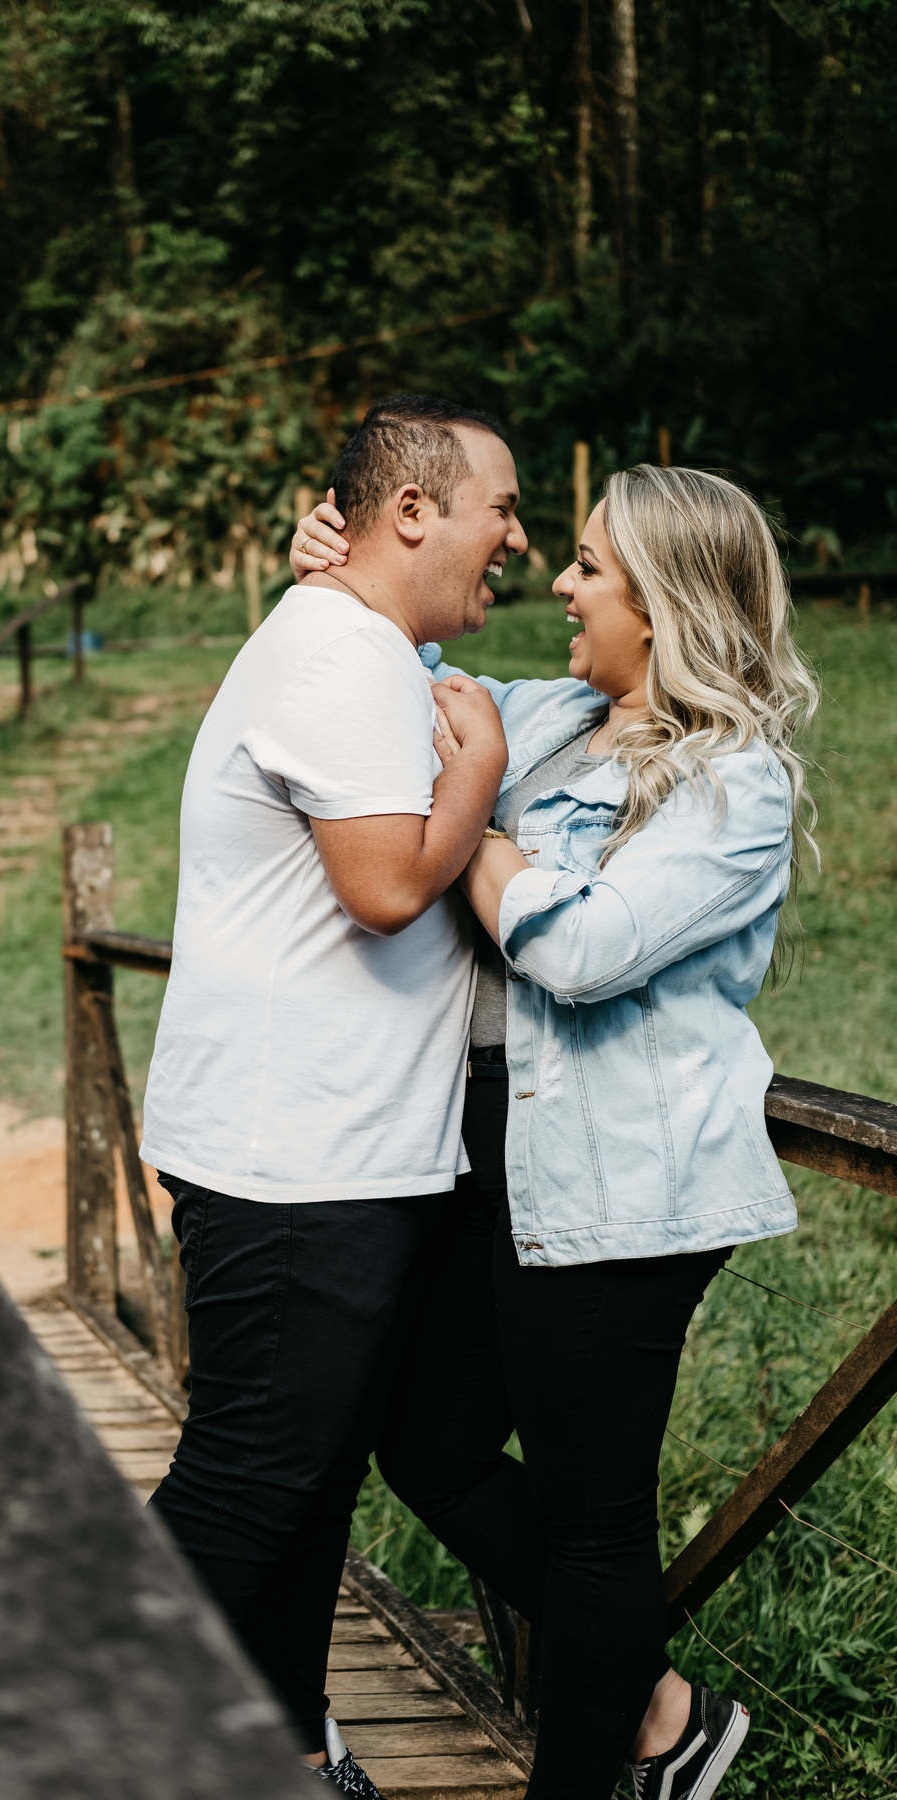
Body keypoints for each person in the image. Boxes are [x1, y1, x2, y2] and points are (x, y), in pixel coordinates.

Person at [290, 463, 818, 1800]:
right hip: (503, 1166)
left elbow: (582, 952)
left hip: (628, 1188)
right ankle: (662, 1710)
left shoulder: (734, 784)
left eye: (591, 568)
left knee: (594, 1527)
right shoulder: (544, 718)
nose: (563, 585)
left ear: (666, 601)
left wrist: (469, 817)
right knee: (429, 1445)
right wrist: (339, 575)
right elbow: (389, 687)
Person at [139, 394, 527, 1790]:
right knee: (252, 1480)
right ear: (412, 512)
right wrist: (481, 773)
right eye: (503, 509)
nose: (518, 539)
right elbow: (383, 885)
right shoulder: (341, 655)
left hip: (328, 1150)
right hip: (296, 1159)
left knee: (301, 1484)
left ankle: (290, 1752)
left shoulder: (364, 642)